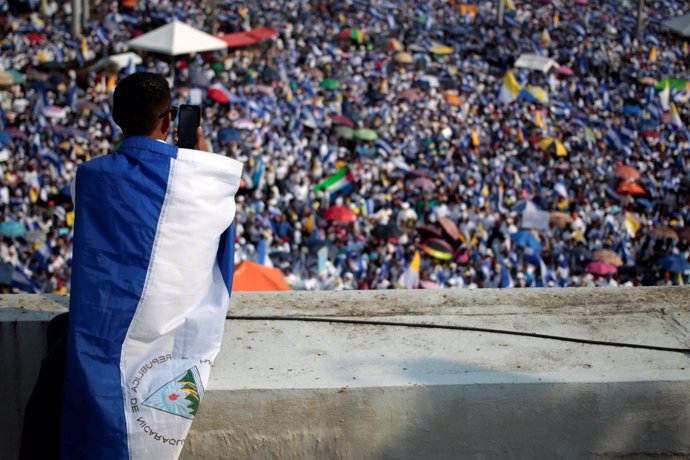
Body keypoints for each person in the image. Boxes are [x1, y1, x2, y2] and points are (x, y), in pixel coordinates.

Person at [22, 72, 243, 460]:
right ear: (168, 121)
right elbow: (215, 229)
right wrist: (201, 162)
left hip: (101, 329)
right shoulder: (198, 180)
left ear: (114, 117)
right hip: (160, 327)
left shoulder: (90, 177)